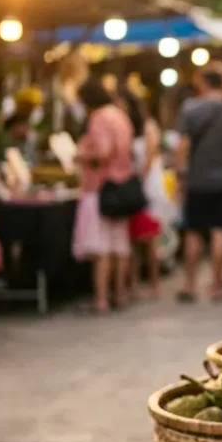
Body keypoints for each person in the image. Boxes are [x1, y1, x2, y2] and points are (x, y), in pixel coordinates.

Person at [174, 70, 222, 303]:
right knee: (220, 231)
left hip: (197, 181)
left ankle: (189, 283)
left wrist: (180, 176)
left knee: (193, 232)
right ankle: (215, 284)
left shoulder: (190, 109)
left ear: (203, 83)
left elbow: (182, 147)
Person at [73, 79, 135, 312]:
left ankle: (101, 299)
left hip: (101, 187)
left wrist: (81, 155)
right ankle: (119, 293)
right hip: (122, 185)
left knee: (102, 247)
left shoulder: (99, 118)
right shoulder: (120, 115)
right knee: (119, 244)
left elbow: (103, 151)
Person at [121, 92, 163, 296]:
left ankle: (154, 281)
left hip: (146, 187)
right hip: (133, 186)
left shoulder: (148, 127)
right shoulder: (126, 128)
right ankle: (134, 282)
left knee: (148, 237)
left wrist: (139, 181)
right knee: (133, 238)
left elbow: (149, 155)